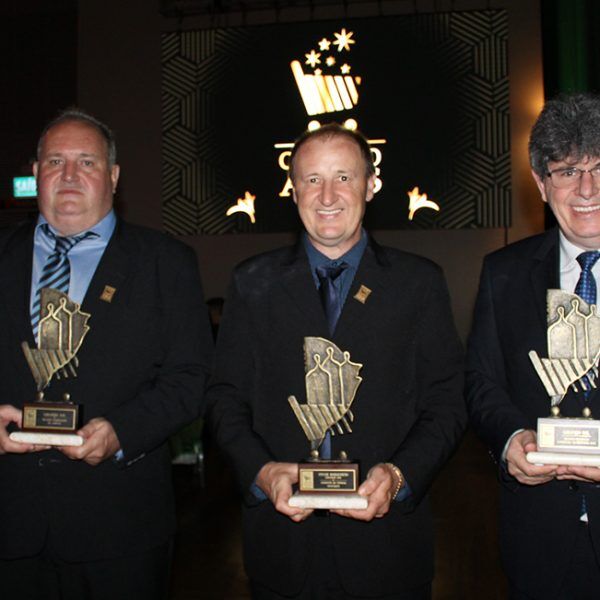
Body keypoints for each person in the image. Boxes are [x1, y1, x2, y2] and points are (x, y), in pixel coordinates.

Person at [208, 123, 465, 599]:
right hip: (282, 547)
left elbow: (447, 402)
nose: (327, 195)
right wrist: (262, 471)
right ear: (293, 188)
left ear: (372, 185)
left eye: (344, 177)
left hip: (389, 550)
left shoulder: (418, 283)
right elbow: (225, 399)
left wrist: (399, 476)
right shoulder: (251, 283)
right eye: (311, 179)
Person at [0, 109, 213, 599]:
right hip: (11, 524)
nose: (69, 175)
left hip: (119, 525)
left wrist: (122, 432)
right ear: (35, 174)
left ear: (113, 177)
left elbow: (193, 378)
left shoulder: (165, 262)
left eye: (87, 162)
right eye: (55, 161)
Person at [466, 93, 600, 599]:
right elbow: (481, 383)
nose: (587, 188)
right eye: (567, 171)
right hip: (538, 541)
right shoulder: (503, 273)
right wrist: (510, 440)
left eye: (599, 167)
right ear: (543, 185)